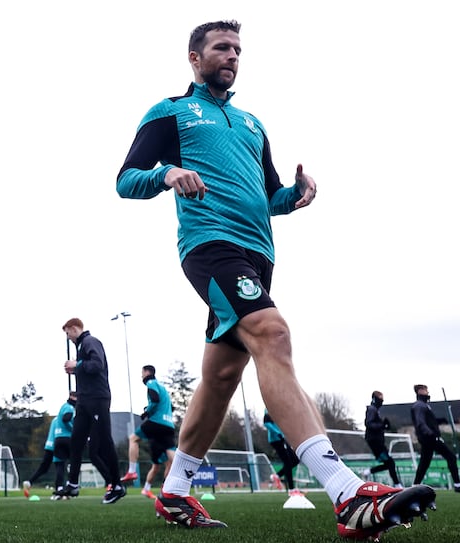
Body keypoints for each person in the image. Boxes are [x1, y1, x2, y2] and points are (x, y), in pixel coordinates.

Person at [114, 19, 436, 538]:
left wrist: (296, 193)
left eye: (238, 49)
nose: (232, 55)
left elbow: (269, 198)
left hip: (258, 254)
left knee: (221, 376)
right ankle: (347, 493)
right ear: (194, 58)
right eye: (221, 47)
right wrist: (167, 173)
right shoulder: (171, 112)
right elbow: (126, 180)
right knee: (273, 332)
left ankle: (173, 492)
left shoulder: (252, 124)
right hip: (209, 247)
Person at [59, 318, 126, 504]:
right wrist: (77, 370)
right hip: (84, 401)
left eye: (67, 333)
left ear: (74, 329)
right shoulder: (82, 346)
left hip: (97, 399)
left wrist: (77, 365)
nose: (68, 337)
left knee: (104, 442)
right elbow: (88, 368)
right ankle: (73, 484)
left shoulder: (90, 342)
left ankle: (117, 485)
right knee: (76, 441)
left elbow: (97, 365)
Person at [120, 365, 176, 499]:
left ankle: (132, 471)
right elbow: (171, 407)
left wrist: (147, 411)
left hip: (157, 422)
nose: (141, 375)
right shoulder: (163, 388)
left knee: (133, 438)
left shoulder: (151, 383)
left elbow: (155, 399)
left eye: (142, 372)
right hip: (169, 425)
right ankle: (171, 486)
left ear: (147, 372)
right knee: (170, 459)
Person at [23, 391, 76, 499]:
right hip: (57, 444)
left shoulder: (55, 419)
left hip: (50, 444)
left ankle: (29, 482)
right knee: (62, 466)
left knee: (45, 468)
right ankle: (61, 490)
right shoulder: (64, 417)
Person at [411, 384, 460, 491]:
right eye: (426, 390)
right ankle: (457, 484)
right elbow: (421, 423)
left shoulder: (424, 405)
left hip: (428, 438)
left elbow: (428, 422)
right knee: (451, 457)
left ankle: (414, 486)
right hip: (429, 438)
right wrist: (432, 434)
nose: (428, 392)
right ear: (420, 391)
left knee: (424, 463)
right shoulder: (419, 406)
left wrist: (439, 420)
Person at [364, 391, 401, 488]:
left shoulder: (376, 410)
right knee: (390, 462)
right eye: (380, 398)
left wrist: (384, 426)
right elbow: (369, 424)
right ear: (375, 398)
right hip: (375, 441)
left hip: (377, 441)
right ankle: (397, 485)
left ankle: (368, 471)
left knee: (389, 463)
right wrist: (382, 425)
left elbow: (376, 425)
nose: (382, 400)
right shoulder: (372, 409)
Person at [263, 409, 300, 492]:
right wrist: (277, 433)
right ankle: (291, 489)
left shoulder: (280, 408)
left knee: (295, 460)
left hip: (282, 438)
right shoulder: (269, 409)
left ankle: (277, 475)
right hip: (276, 440)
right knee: (287, 462)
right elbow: (266, 423)